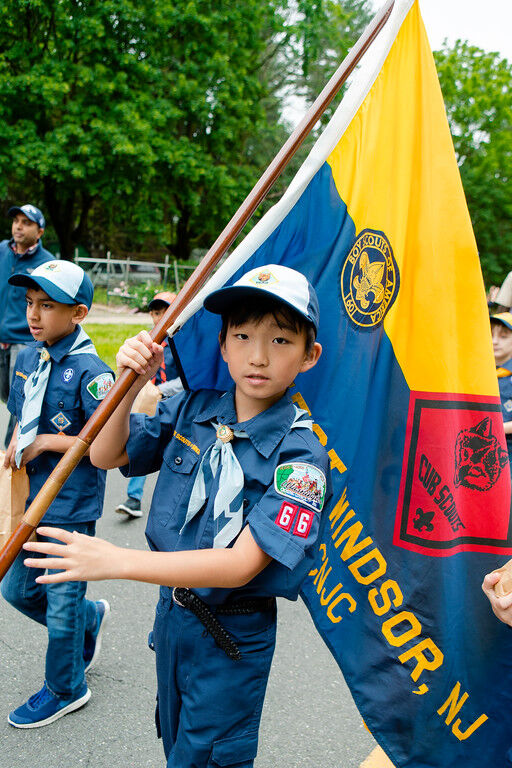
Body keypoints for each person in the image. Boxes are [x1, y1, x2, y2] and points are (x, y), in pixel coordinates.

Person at [22, 264, 331, 766]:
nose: (258, 356)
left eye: (280, 340)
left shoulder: (302, 458)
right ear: (223, 344)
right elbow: (105, 453)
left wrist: (116, 560)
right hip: (172, 618)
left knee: (207, 756)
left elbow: (239, 565)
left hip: (231, 635)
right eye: (243, 336)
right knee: (174, 741)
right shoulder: (195, 408)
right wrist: (130, 386)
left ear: (309, 355)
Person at [1, 260, 114, 728]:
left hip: (70, 503)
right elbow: (19, 415)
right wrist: (13, 446)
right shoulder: (28, 357)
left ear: (78, 313)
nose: (33, 314)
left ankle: (67, 687)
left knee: (62, 604)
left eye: (47, 305)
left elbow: (107, 443)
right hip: (28, 499)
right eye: (30, 303)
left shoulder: (93, 372)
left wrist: (47, 441)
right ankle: (90, 619)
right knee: (16, 589)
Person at [116, 291, 183, 518]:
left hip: (175, 404)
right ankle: (134, 499)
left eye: (165, 311)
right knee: (142, 441)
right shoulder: (148, 342)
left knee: (177, 455)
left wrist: (162, 390)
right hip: (149, 402)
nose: (159, 317)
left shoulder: (184, 343)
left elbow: (188, 380)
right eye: (155, 312)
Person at [0, 204, 54, 448]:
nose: (18, 226)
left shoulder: (47, 264)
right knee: (7, 395)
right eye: (16, 221)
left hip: (24, 343)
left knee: (18, 402)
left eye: (26, 222)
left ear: (40, 231)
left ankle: (10, 456)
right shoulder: (2, 250)